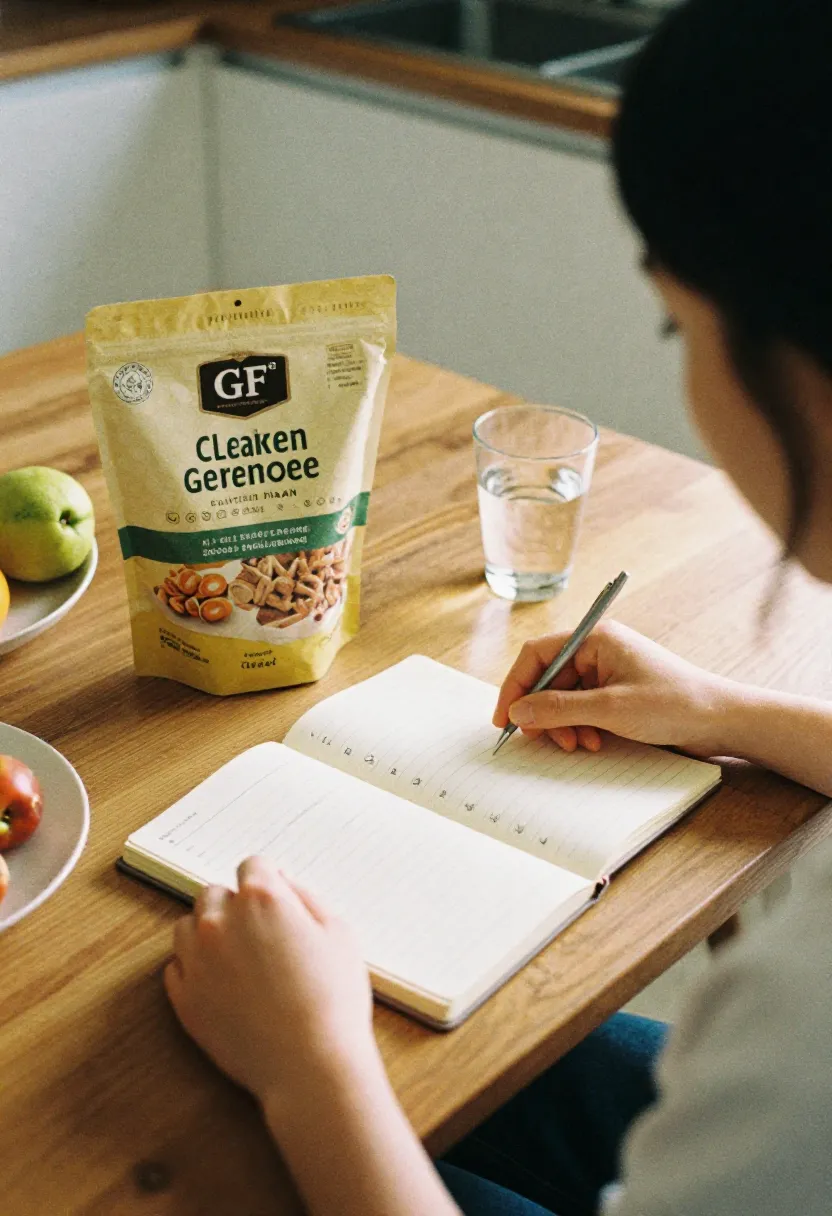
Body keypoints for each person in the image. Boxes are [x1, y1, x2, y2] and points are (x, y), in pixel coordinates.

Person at [162, 0, 832, 1211]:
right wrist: (716, 707)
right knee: (522, 1060)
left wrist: (311, 1065)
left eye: (678, 321)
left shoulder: (803, 1017)